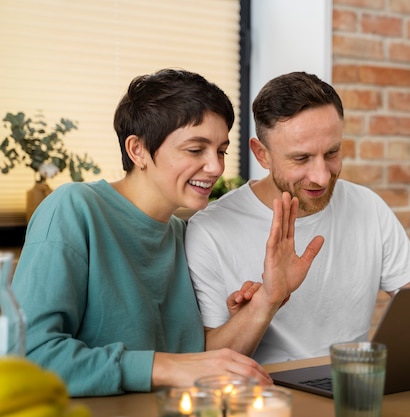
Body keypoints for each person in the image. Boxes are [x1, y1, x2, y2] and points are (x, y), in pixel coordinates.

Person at [11, 69, 323, 397]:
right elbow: (27, 358)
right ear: (138, 150)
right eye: (195, 149)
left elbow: (196, 362)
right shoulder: (74, 210)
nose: (216, 167)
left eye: (221, 150)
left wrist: (267, 300)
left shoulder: (182, 233)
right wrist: (165, 366)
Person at [186, 71, 410, 373]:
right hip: (270, 395)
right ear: (261, 154)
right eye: (301, 158)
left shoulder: (367, 207)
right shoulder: (211, 230)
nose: (321, 176)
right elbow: (211, 361)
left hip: (356, 383)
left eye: (332, 153)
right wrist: (268, 299)